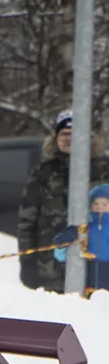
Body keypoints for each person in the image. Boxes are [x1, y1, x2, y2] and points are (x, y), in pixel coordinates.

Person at [17, 109, 109, 291]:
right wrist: (26, 259)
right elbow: (27, 220)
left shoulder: (104, 170)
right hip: (52, 268)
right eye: (64, 134)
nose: (69, 139)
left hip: (99, 267)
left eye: (75, 134)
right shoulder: (43, 172)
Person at [54, 183, 109, 295]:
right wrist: (64, 239)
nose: (100, 207)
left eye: (105, 204)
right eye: (96, 203)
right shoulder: (84, 227)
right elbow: (60, 255)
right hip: (86, 278)